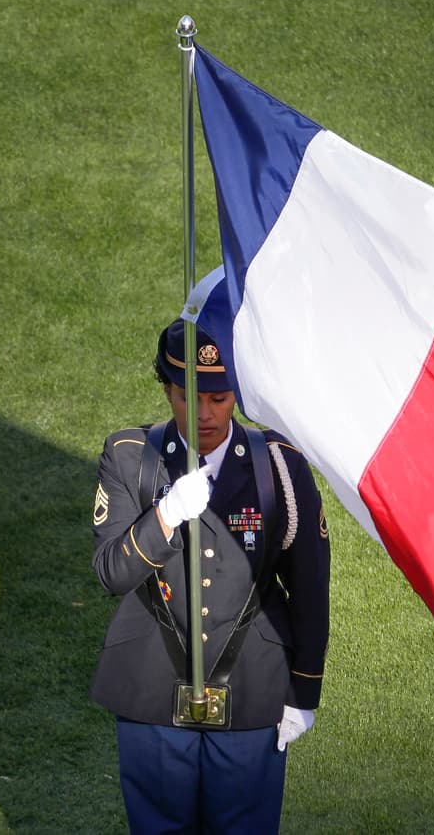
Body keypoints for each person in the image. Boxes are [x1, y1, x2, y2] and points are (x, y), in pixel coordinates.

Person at [90, 318, 331, 834]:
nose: (202, 413)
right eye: (186, 395)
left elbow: (310, 588)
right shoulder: (129, 457)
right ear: (167, 388)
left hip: (252, 691)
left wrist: (305, 692)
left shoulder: (280, 467)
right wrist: (166, 516)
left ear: (238, 391)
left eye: (219, 398)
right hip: (151, 689)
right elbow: (111, 572)